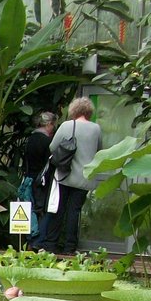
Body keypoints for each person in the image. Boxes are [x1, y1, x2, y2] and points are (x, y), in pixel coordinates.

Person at [42, 96, 102, 256]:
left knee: (59, 210)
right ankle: (70, 247)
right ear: (89, 112)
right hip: (84, 178)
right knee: (74, 212)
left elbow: (52, 146)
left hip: (64, 174)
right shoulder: (96, 129)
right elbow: (99, 151)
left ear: (73, 110)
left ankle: (51, 244)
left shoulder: (67, 126)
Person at [22, 110, 56, 250]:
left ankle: (29, 239)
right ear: (49, 124)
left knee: (30, 209)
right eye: (53, 125)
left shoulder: (30, 139)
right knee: (44, 209)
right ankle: (38, 240)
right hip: (41, 181)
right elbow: (50, 163)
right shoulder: (47, 141)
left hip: (29, 178)